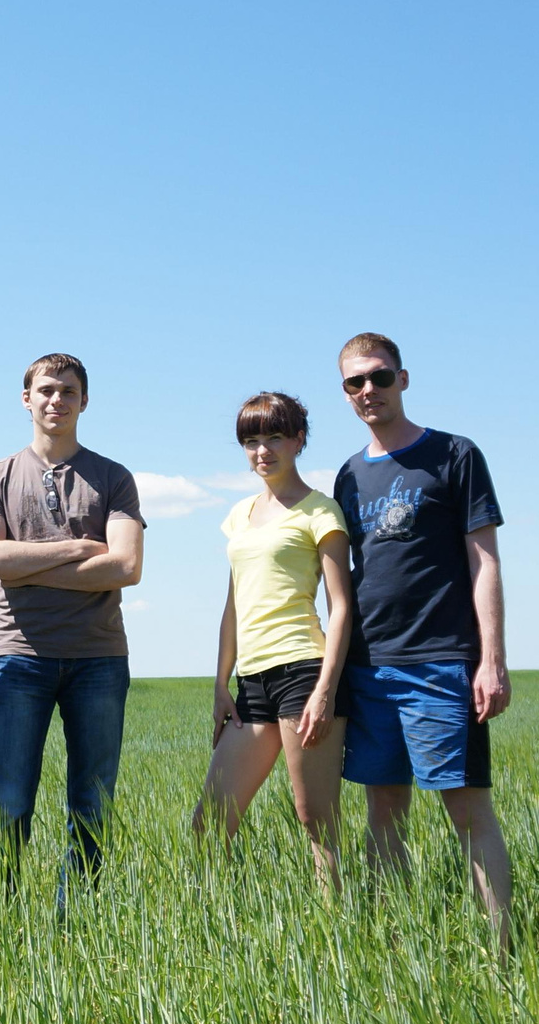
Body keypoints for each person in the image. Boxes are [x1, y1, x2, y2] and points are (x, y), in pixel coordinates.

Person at [329, 333, 516, 950]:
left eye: (379, 378)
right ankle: (393, 950)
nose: (368, 391)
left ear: (403, 380)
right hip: (370, 663)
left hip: (443, 661)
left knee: (467, 811)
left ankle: (501, 954)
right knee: (384, 810)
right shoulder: (348, 475)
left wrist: (491, 660)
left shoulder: (455, 455)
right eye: (355, 383)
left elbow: (484, 559)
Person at [0, 353, 145, 899]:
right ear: (26, 399)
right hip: (19, 656)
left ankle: (78, 925)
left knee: (93, 803)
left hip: (99, 659)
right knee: (9, 801)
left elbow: (126, 567)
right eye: (45, 390)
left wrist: (30, 569)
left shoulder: (114, 477)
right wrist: (73, 549)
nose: (55, 400)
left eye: (67, 391)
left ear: (83, 401)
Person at [193, 391, 354, 890]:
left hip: (304, 672)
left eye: (275, 438)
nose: (262, 450)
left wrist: (325, 691)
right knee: (209, 824)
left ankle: (339, 936)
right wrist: (221, 683)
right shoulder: (239, 515)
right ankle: (221, 923)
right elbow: (233, 605)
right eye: (251, 441)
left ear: (298, 440)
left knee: (316, 823)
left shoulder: (319, 511)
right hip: (252, 682)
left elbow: (342, 605)